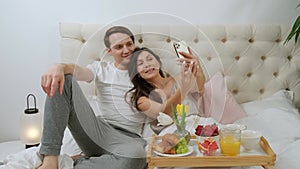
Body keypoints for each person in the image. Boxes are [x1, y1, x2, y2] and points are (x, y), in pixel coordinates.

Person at [38, 26, 148, 169]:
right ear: (109, 51)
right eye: (119, 46)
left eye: (129, 44)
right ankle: (50, 160)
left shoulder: (146, 71)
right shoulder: (101, 68)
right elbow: (78, 71)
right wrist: (59, 67)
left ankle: (70, 164)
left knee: (137, 157)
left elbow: (167, 87)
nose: (126, 50)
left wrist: (186, 75)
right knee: (65, 79)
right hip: (98, 130)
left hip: (128, 139)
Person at [125, 47, 205, 130]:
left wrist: (197, 67)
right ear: (136, 73)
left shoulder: (180, 78)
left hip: (197, 128)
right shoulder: (142, 100)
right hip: (171, 136)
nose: (147, 65)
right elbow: (164, 112)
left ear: (158, 63)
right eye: (140, 64)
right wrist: (183, 90)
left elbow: (200, 88)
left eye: (149, 59)